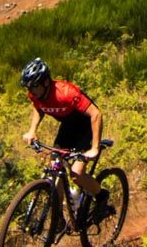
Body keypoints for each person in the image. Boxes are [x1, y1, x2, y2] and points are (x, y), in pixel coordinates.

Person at [20, 58, 107, 218]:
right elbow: (38, 108)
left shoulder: (66, 93)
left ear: (45, 82)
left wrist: (94, 148)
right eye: (28, 87)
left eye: (34, 86)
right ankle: (57, 217)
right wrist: (32, 130)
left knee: (76, 173)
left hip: (86, 127)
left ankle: (101, 196)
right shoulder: (36, 95)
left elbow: (96, 114)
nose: (31, 91)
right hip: (68, 127)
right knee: (55, 168)